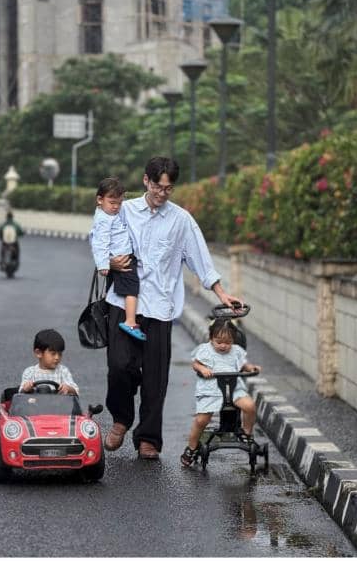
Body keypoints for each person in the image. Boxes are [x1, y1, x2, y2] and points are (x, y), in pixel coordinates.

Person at [103, 157, 243, 459]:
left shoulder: (181, 220)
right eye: (157, 186)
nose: (162, 193)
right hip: (123, 302)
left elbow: (200, 260)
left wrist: (221, 293)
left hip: (160, 308)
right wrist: (109, 261)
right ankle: (121, 419)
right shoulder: (124, 212)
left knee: (156, 378)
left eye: (168, 189)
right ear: (145, 181)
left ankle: (148, 437)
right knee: (119, 367)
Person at [181, 318, 261, 467]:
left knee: (249, 406)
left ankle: (247, 433)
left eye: (228, 342)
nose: (223, 346)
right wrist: (202, 369)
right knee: (201, 420)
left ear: (233, 341)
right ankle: (191, 447)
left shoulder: (236, 351)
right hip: (211, 389)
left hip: (233, 389)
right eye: (219, 342)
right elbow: (195, 364)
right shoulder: (205, 350)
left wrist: (250, 368)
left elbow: (244, 364)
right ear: (211, 338)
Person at [89, 177, 144, 340]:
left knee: (118, 290)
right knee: (132, 288)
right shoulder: (103, 220)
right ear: (100, 199)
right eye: (112, 202)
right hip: (121, 261)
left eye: (119, 203)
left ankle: (121, 316)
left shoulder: (109, 214)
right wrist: (103, 264)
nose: (116, 207)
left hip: (122, 258)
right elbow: (100, 243)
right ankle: (130, 321)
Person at [19, 329, 79, 394]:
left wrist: (68, 388)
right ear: (38, 353)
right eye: (53, 354)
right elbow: (20, 394)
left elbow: (75, 391)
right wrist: (26, 388)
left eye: (60, 354)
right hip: (35, 403)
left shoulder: (63, 371)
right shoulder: (30, 372)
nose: (57, 357)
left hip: (59, 403)